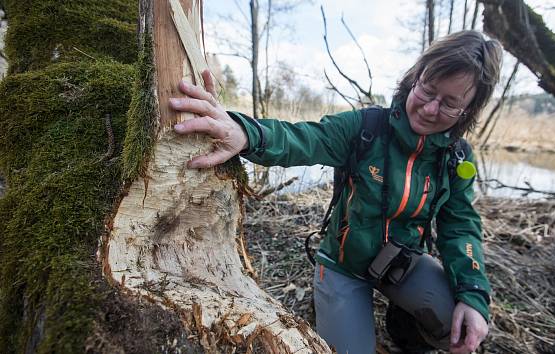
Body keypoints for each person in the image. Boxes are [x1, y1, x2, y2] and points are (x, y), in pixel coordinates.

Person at [169, 30, 502, 354]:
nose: (430, 109)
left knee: (455, 325)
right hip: (345, 265)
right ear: (415, 78)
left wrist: (473, 295)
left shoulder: (456, 157)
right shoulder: (367, 128)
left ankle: (403, 330)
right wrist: (245, 133)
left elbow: (460, 226)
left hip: (402, 264)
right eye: (428, 92)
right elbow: (304, 138)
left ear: (467, 111)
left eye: (449, 104)